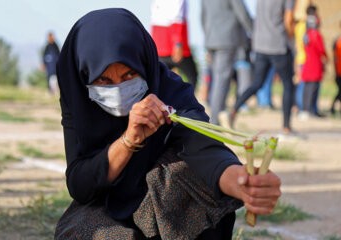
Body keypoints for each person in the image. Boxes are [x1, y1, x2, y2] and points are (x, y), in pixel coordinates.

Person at [54, 9, 281, 240]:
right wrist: (128, 141)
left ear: (144, 64)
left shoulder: (168, 91)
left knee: (186, 172)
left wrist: (240, 181)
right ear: (84, 78)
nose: (118, 89)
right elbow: (80, 185)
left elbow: (202, 146)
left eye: (129, 75)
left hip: (164, 203)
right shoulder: (79, 100)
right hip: (103, 202)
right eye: (103, 80)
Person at [231, 0, 295, 135]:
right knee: (288, 85)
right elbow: (288, 20)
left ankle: (233, 110)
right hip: (279, 45)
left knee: (256, 83)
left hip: (260, 45)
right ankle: (286, 127)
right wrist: (290, 41)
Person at [201, 0, 253, 126]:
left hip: (211, 39)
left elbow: (202, 17)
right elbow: (242, 13)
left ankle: (215, 119)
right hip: (226, 40)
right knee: (221, 82)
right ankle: (215, 122)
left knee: (217, 81)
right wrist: (254, 31)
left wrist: (208, 35)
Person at [150, 0, 198, 88]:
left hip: (160, 48)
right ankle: (187, 101)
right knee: (192, 76)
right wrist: (178, 44)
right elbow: (177, 20)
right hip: (174, 47)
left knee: (161, 83)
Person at [300, 15, 328, 118]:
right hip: (315, 65)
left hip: (307, 64)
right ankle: (310, 110)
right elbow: (321, 50)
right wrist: (326, 58)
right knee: (313, 89)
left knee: (307, 88)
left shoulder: (306, 35)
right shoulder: (316, 35)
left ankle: (306, 109)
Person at [330, 21, 341, 116]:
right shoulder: (337, 40)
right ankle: (332, 108)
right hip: (339, 71)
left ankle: (332, 108)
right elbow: (335, 57)